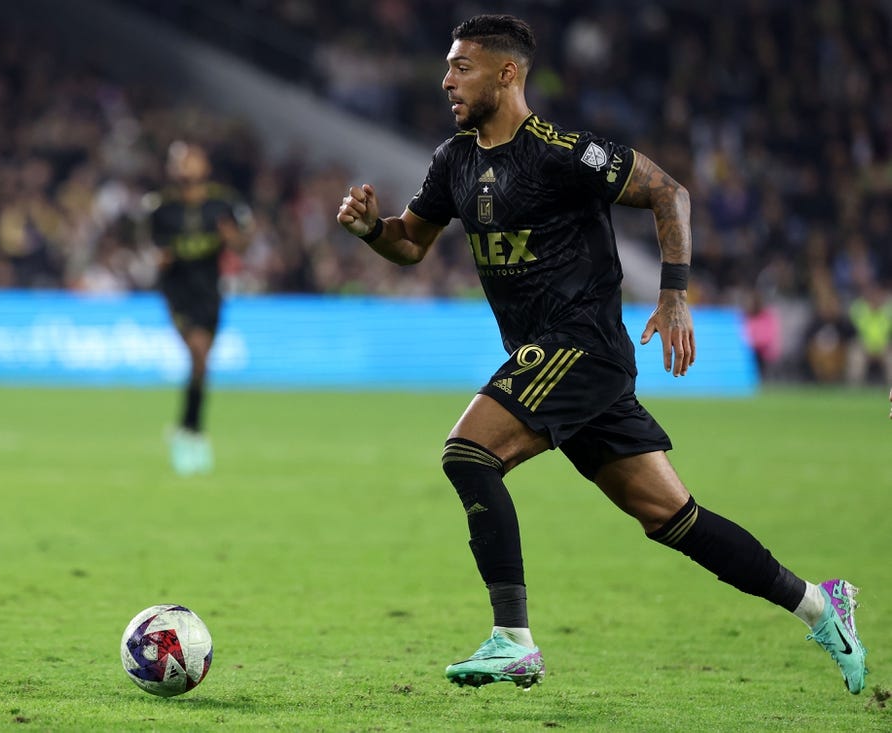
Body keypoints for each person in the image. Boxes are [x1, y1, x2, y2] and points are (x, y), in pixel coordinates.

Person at [336, 14, 868, 694]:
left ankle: (513, 638)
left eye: (461, 66)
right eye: (447, 66)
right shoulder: (454, 160)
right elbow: (410, 242)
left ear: (508, 73)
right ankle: (824, 607)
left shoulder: (563, 151)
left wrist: (674, 294)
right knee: (675, 520)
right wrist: (369, 230)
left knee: (468, 453)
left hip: (578, 345)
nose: (446, 80)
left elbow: (667, 192)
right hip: (557, 358)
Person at [150, 141, 249, 475]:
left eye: (190, 161)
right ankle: (194, 433)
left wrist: (232, 236)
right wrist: (160, 260)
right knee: (198, 351)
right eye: (178, 162)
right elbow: (154, 250)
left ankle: (187, 426)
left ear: (204, 166)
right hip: (178, 292)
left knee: (201, 363)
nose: (184, 167)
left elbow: (243, 244)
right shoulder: (161, 208)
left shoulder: (223, 203)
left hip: (210, 290)